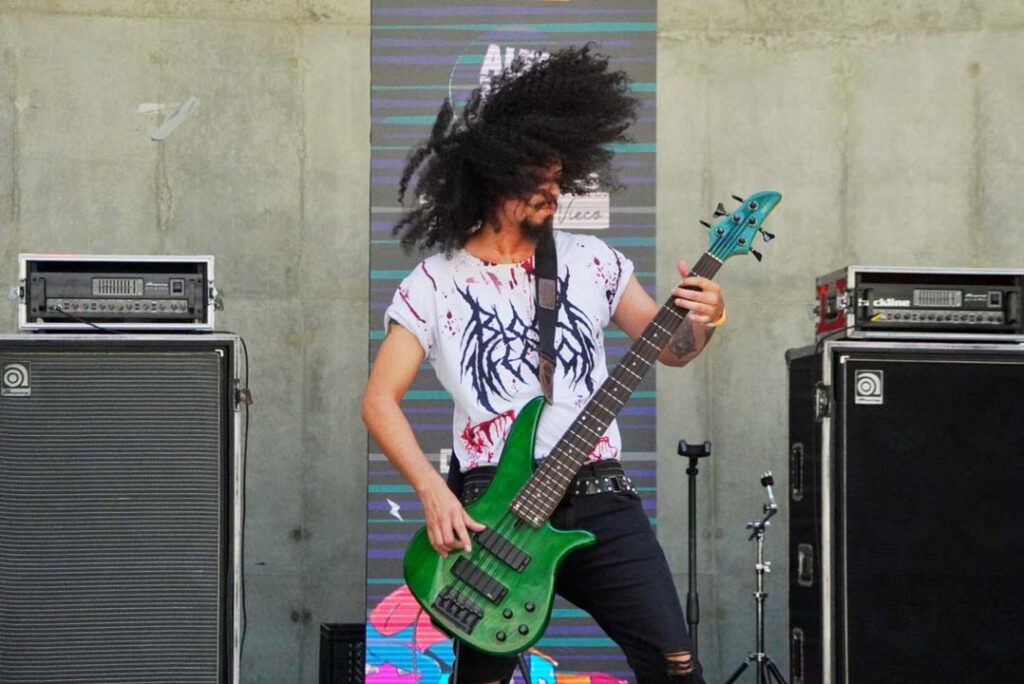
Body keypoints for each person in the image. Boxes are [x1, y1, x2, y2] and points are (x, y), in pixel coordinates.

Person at [362, 45, 723, 684]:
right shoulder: (435, 281)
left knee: (675, 662)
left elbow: (672, 348)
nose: (552, 192)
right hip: (492, 506)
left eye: (559, 177)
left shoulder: (592, 261)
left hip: (599, 495)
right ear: (492, 175)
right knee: (484, 678)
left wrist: (704, 317)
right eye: (537, 179)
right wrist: (430, 492)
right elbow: (379, 399)